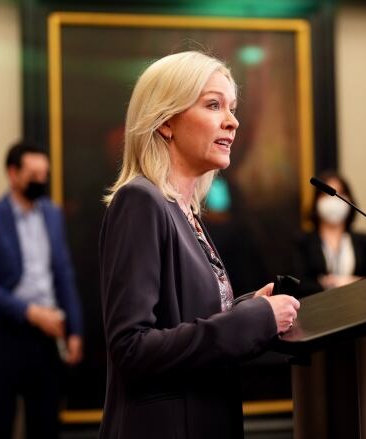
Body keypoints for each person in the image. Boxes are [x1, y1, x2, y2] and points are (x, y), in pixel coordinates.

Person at [98, 51, 300, 439]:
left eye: (233, 107)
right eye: (213, 105)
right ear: (165, 122)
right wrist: (254, 320)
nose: (233, 121)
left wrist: (247, 308)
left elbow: (183, 323)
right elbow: (131, 348)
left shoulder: (184, 210)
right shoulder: (141, 201)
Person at [0, 142, 84, 438]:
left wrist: (75, 331)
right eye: (32, 174)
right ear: (12, 173)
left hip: (47, 336)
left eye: (44, 174)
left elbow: (64, 273)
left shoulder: (53, 214)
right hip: (2, 335)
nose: (40, 180)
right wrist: (30, 313)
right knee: (1, 425)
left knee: (45, 425)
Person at [293, 170, 366, 297]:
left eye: (340, 193)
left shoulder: (365, 241)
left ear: (349, 199)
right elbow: (299, 284)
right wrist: (328, 286)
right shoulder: (302, 242)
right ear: (316, 201)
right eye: (326, 194)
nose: (333, 200)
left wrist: (348, 282)